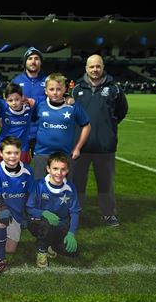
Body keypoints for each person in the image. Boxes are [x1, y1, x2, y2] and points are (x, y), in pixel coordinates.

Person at [71, 54, 128, 227]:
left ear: (103, 67)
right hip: (81, 146)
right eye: (91, 67)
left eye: (98, 66)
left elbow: (122, 111)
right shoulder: (77, 89)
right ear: (86, 69)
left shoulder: (114, 89)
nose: (95, 70)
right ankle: (76, 213)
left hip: (105, 146)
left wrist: (107, 128)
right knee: (77, 183)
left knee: (106, 183)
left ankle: (108, 214)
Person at [31, 73, 91, 180]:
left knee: (63, 191)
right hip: (42, 154)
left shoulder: (72, 106)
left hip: (64, 155)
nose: (55, 92)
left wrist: (78, 148)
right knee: (39, 189)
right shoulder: (40, 105)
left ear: (65, 89)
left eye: (58, 89)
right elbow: (29, 120)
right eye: (51, 89)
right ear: (46, 91)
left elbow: (86, 125)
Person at [26, 152, 81, 268]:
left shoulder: (70, 188)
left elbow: (75, 212)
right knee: (46, 225)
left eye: (63, 169)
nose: (59, 173)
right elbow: (29, 208)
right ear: (48, 169)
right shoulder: (39, 185)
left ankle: (51, 244)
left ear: (67, 170)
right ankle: (41, 250)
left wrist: (71, 233)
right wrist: (44, 213)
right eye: (55, 168)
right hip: (39, 222)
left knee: (72, 252)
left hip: (60, 225)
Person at [0, 137, 34, 275]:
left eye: (16, 152)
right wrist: (3, 208)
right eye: (8, 153)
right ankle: (1, 259)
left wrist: (27, 213)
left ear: (21, 153)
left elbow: (31, 193)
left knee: (10, 248)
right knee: (2, 218)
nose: (12, 156)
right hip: (0, 206)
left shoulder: (27, 171)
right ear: (1, 154)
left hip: (17, 211)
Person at [12, 47, 47, 158]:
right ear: (25, 62)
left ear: (40, 62)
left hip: (42, 131)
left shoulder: (48, 81)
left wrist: (36, 102)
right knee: (19, 166)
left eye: (36, 58)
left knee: (41, 168)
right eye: (30, 58)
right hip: (21, 132)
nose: (33, 61)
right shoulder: (17, 81)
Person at [0, 83, 33, 167]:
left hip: (22, 148)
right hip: (3, 145)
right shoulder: (3, 106)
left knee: (22, 173)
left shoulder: (29, 109)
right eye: (10, 100)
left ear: (22, 97)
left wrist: (67, 96)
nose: (14, 103)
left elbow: (43, 100)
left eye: (17, 99)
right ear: (5, 99)